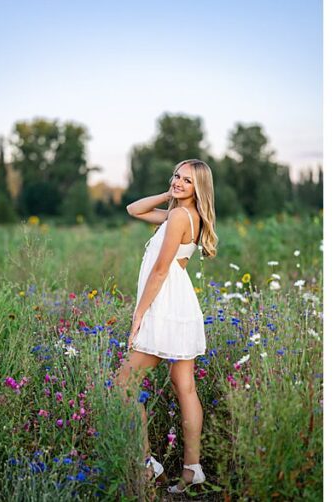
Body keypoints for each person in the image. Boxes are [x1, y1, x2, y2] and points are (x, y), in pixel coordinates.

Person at [114, 159, 218, 494]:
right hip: (181, 304)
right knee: (183, 384)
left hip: (165, 305)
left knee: (125, 382)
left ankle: (147, 464)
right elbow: (134, 208)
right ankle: (192, 469)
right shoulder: (188, 215)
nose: (178, 182)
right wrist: (171, 193)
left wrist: (138, 315)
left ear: (199, 187)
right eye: (176, 176)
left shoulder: (177, 217)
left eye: (187, 181)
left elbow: (160, 270)